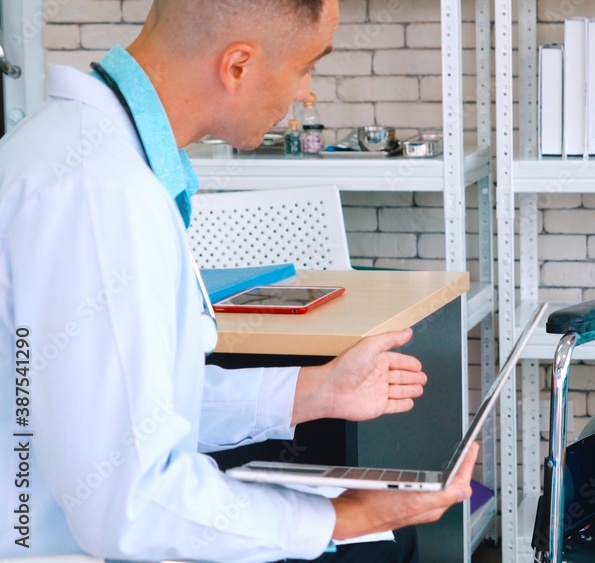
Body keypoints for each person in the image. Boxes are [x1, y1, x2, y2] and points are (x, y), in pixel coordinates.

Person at [0, 0, 477, 560]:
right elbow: (130, 506)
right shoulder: (101, 196)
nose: (307, 93)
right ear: (238, 66)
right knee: (380, 548)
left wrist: (316, 390)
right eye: (307, 66)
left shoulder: (88, 152)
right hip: (56, 544)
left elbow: (132, 404)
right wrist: (334, 518)